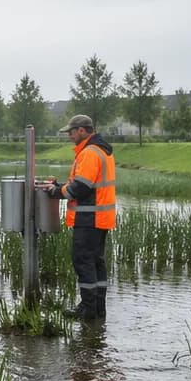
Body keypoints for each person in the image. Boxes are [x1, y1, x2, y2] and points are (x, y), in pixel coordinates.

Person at [39, 114, 116, 319]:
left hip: (89, 218)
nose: (69, 136)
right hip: (100, 218)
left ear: (82, 130)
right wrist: (59, 186)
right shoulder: (101, 150)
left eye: (71, 132)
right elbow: (85, 183)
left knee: (83, 262)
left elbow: (81, 187)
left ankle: (88, 311)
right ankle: (98, 309)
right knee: (97, 263)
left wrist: (56, 192)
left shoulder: (89, 152)